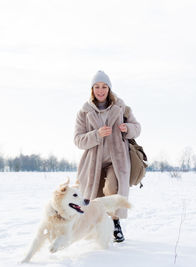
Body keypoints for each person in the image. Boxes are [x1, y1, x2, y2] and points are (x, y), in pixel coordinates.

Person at [74, 70, 141, 242]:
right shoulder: (84, 112)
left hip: (116, 160)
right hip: (93, 163)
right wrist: (96, 134)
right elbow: (78, 140)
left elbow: (137, 127)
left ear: (109, 89)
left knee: (112, 189)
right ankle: (97, 227)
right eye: (97, 87)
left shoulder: (122, 108)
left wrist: (128, 128)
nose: (101, 90)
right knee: (94, 197)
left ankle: (115, 223)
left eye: (104, 87)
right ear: (92, 89)